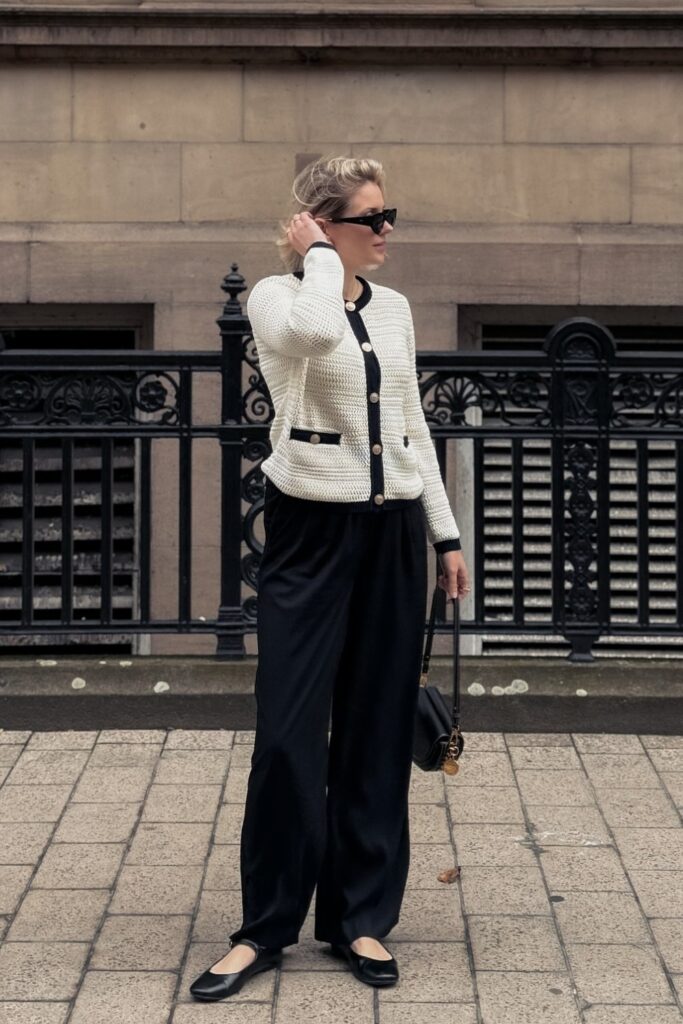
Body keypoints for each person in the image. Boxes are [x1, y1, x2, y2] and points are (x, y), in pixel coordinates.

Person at [190, 155, 470, 1002]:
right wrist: (315, 258)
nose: (387, 233)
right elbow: (311, 336)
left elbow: (411, 421)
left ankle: (359, 918)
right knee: (286, 731)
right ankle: (265, 927)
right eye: (371, 220)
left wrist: (445, 533)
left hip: (390, 535)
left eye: (391, 217)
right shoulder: (278, 299)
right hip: (309, 534)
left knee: (375, 730)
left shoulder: (394, 310)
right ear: (322, 224)